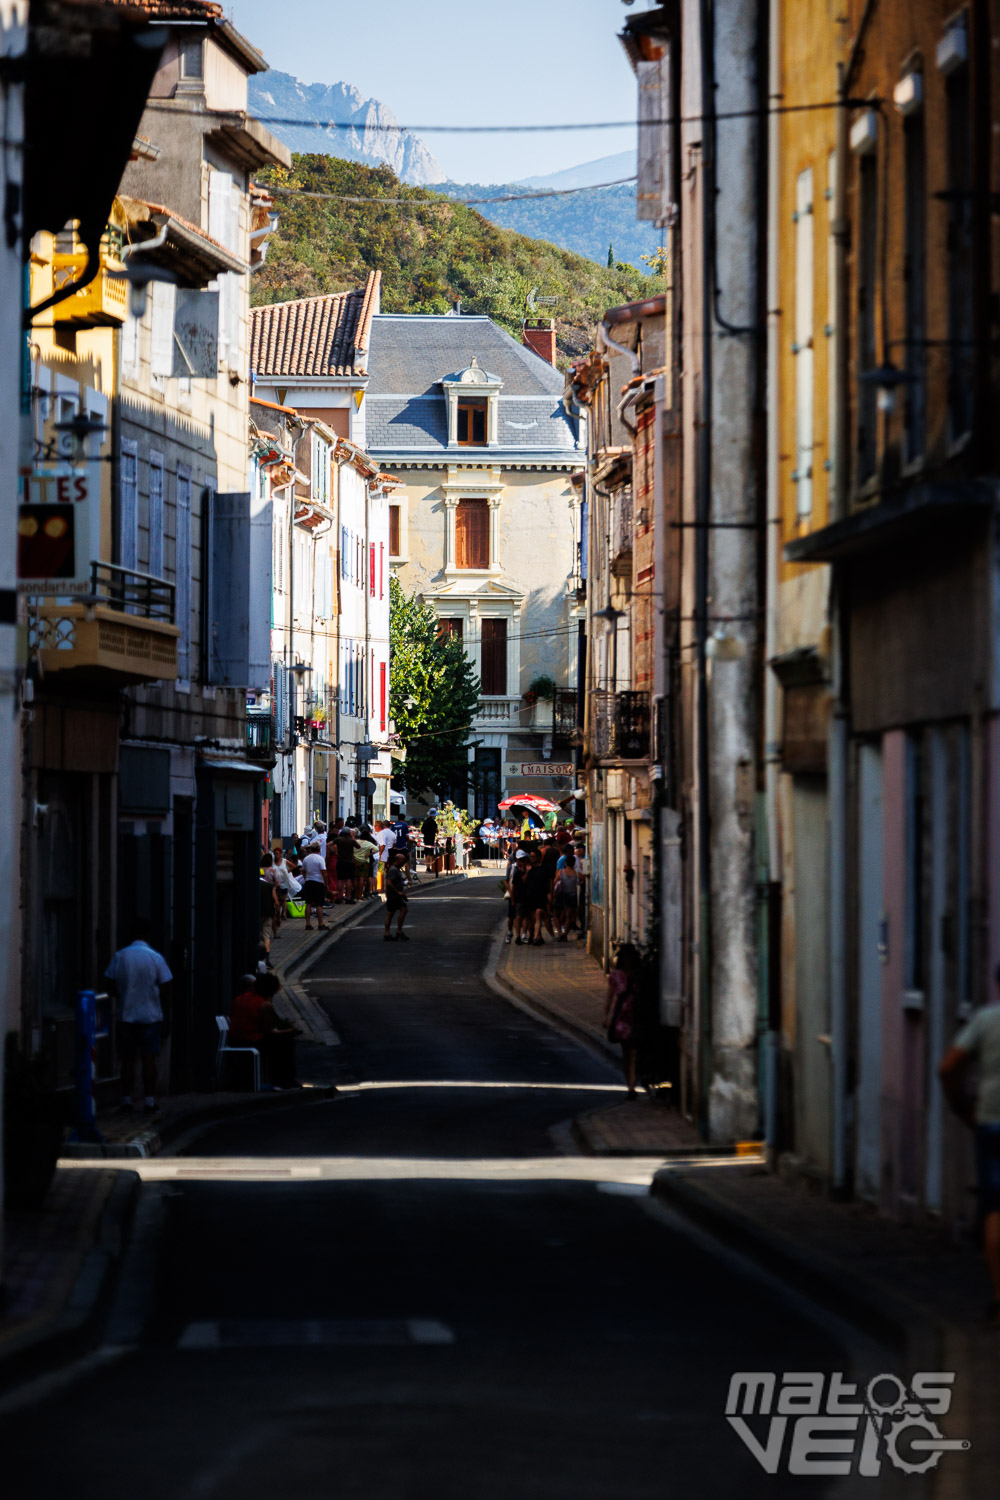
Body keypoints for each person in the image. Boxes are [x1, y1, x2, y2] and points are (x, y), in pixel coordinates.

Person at [939, 967, 1000, 1321]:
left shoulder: (986, 1020)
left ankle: (998, 1293)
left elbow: (947, 1068)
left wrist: (963, 1109)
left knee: (994, 1209)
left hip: (991, 1120)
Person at [105, 918, 172, 1114]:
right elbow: (166, 985)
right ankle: (149, 1100)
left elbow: (109, 983)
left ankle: (126, 1100)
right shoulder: (155, 957)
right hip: (150, 1014)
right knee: (149, 1057)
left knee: (127, 1058)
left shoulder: (121, 956)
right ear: (147, 935)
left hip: (126, 1014)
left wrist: (122, 994)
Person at [229, 973, 299, 1090]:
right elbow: (268, 1031)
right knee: (285, 1043)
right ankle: (283, 1081)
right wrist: (289, 1031)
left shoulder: (241, 998)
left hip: (234, 1038)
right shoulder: (265, 1005)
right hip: (250, 1040)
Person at [603, 943, 642, 1098]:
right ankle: (630, 1086)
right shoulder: (616, 976)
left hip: (637, 1016)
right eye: (624, 957)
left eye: (629, 957)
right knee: (627, 1052)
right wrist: (606, 1016)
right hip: (621, 1018)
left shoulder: (640, 975)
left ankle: (633, 1083)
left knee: (634, 1052)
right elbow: (610, 997)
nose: (627, 960)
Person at [552, 852, 579, 941]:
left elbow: (555, 882)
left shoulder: (561, 872)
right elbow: (580, 881)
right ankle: (565, 935)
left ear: (566, 863)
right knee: (568, 916)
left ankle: (560, 932)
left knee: (556, 915)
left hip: (561, 896)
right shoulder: (576, 873)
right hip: (572, 896)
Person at [383, 851, 410, 941]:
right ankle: (398, 931)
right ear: (398, 860)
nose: (403, 863)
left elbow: (397, 881)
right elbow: (389, 882)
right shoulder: (393, 870)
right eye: (402, 861)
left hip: (394, 895)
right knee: (402, 910)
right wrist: (398, 892)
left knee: (391, 912)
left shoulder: (395, 869)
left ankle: (388, 933)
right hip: (393, 895)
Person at [300, 842, 327, 930]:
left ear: (311, 849)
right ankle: (320, 924)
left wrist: (306, 878)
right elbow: (323, 872)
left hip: (308, 882)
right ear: (319, 849)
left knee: (308, 903)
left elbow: (303, 871)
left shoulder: (306, 859)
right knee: (319, 904)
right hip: (318, 882)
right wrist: (325, 883)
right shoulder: (320, 859)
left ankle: (307, 924)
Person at [332, 823, 356, 903]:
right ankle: (348, 898)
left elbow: (328, 844)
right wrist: (352, 837)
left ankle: (339, 897)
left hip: (340, 861)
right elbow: (358, 846)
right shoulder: (351, 841)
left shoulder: (338, 839)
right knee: (349, 880)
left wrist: (335, 852)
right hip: (349, 861)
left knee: (340, 879)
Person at [374, 819, 396, 892]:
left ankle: (380, 888)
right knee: (382, 871)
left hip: (382, 855)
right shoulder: (386, 833)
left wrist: (379, 854)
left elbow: (382, 845)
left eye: (375, 826)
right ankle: (382, 887)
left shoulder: (381, 834)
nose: (374, 827)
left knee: (380, 872)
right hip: (386, 854)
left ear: (378, 826)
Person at [421, 809, 439, 874]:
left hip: (426, 839)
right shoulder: (433, 822)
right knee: (430, 853)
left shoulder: (425, 822)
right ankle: (430, 867)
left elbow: (422, 830)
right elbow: (437, 830)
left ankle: (427, 867)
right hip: (431, 839)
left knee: (426, 853)